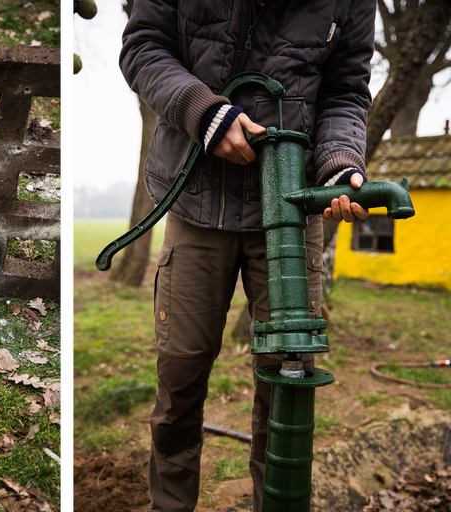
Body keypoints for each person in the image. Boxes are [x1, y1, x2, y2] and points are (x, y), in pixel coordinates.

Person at [119, 0, 376, 510]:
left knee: (289, 379)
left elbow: (346, 91)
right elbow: (144, 47)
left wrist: (340, 162)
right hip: (193, 201)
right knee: (180, 379)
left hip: (290, 208)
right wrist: (201, 110)